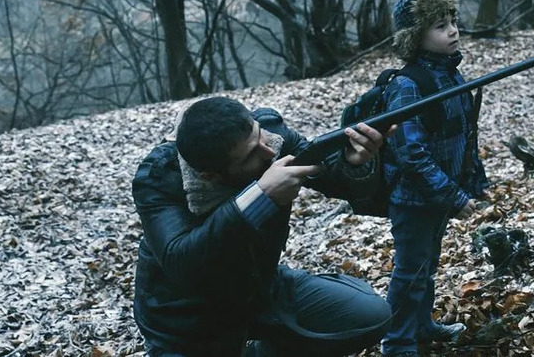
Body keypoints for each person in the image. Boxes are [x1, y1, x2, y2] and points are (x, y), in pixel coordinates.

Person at [131, 96, 395, 356]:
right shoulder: (159, 176)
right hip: (183, 316)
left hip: (258, 285)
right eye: (250, 155)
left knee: (371, 316)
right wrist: (259, 197)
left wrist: (353, 161)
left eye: (261, 136)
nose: (269, 152)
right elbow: (182, 261)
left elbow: (337, 180)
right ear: (209, 175)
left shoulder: (270, 135)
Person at [380, 0, 490, 356]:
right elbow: (412, 155)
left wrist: (473, 182)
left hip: (438, 194)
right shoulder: (409, 86)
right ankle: (397, 343)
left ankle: (422, 326)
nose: (453, 31)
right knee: (410, 272)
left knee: (426, 267)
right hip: (413, 200)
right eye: (440, 25)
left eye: (453, 21)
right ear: (416, 37)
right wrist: (453, 197)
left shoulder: (450, 75)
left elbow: (463, 135)